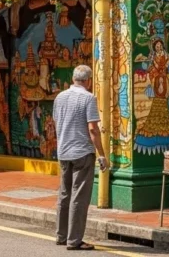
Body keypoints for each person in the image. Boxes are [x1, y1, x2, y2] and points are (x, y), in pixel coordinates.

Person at [53, 64, 108, 251]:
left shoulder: (60, 97)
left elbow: (57, 123)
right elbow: (93, 129)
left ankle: (61, 235)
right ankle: (74, 240)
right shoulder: (88, 98)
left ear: (73, 78)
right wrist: (102, 154)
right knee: (79, 196)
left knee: (64, 193)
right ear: (88, 81)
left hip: (63, 152)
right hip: (82, 152)